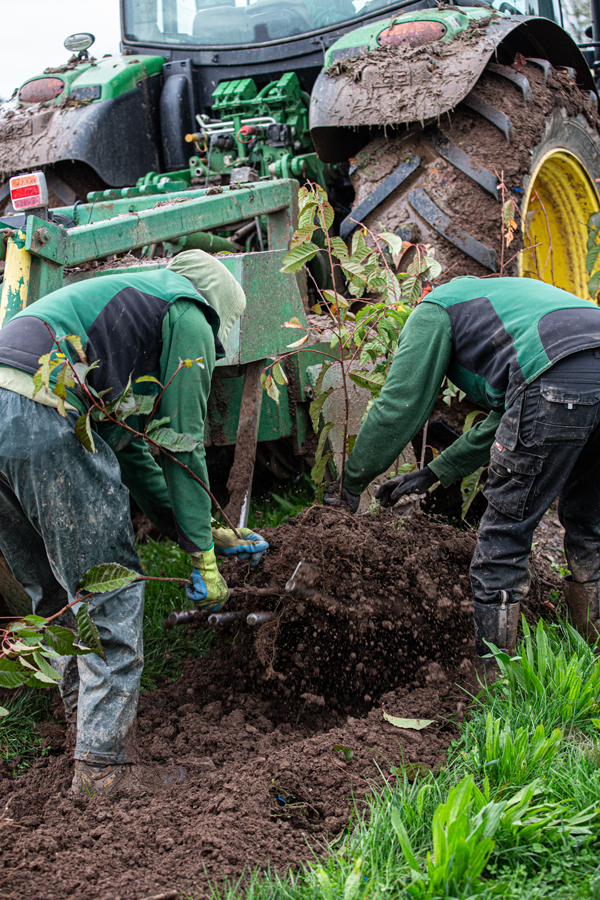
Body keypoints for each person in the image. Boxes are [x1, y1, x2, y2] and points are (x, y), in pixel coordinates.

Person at [0, 249, 268, 795]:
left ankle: (85, 729)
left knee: (56, 593)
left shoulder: (125, 308)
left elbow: (136, 453)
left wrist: (192, 528)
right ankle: (104, 770)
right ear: (215, 309)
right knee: (111, 590)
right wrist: (202, 559)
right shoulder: (190, 314)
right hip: (42, 415)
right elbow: (184, 445)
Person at [325, 276, 600, 660]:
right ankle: (589, 646)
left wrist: (350, 482)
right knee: (591, 518)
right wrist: (434, 472)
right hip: (576, 362)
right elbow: (509, 415)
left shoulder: (434, 309)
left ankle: (495, 670)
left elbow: (399, 407)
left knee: (507, 526)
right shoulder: (506, 299)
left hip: (554, 376)